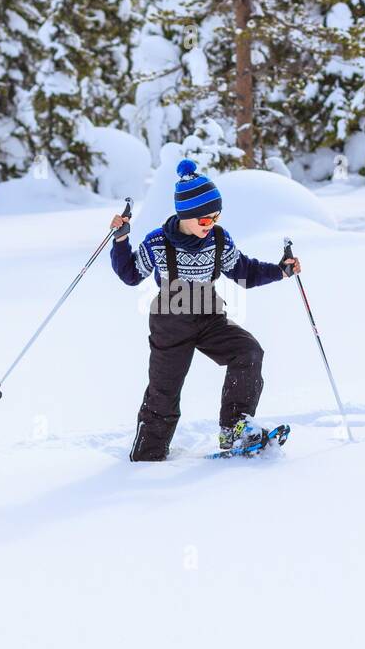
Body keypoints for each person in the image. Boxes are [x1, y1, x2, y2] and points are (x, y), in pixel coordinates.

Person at [110, 159, 301, 461]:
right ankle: (147, 455)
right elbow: (131, 274)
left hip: (210, 316)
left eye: (215, 217)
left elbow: (244, 271)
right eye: (204, 220)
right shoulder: (158, 243)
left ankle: (235, 429)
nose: (210, 224)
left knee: (248, 352)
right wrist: (120, 240)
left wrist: (280, 271)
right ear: (185, 215)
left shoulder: (219, 240)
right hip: (170, 321)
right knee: (164, 391)